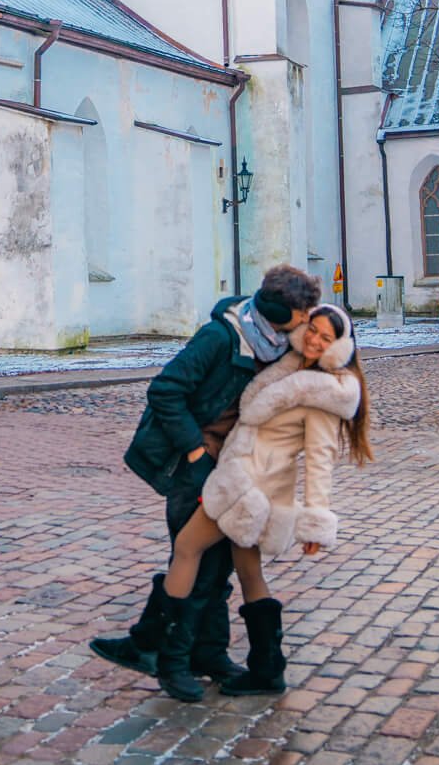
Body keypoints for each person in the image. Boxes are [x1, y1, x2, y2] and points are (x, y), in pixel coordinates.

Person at [90, 264, 320, 690]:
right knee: (196, 560)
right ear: (275, 310)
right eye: (301, 313)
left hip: (235, 473)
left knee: (218, 569)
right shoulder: (221, 337)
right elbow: (165, 390)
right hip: (192, 466)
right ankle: (170, 660)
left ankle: (195, 651)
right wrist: (196, 451)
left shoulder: (278, 348)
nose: (307, 321)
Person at [157, 303, 372, 701]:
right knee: (249, 573)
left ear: (339, 347)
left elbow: (321, 460)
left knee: (187, 548)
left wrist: (315, 522)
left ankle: (168, 659)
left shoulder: (326, 392)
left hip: (249, 489)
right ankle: (267, 669)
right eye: (313, 330)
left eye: (326, 337)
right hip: (251, 485)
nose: (315, 340)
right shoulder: (291, 367)